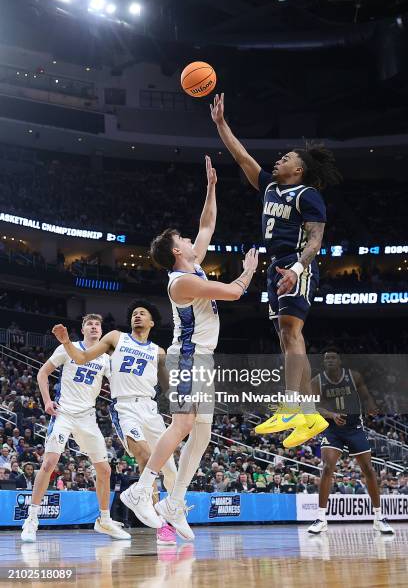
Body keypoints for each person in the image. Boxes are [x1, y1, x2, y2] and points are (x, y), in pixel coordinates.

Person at [107, 155, 258, 539]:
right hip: (186, 358)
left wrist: (211, 188)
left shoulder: (193, 265)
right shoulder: (181, 282)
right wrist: (250, 269)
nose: (191, 240)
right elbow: (234, 292)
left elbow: (207, 223)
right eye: (184, 240)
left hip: (202, 359)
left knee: (203, 433)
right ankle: (142, 489)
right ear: (177, 251)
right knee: (185, 423)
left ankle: (174, 501)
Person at [210, 93, 342, 448]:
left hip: (296, 266)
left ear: (298, 169)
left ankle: (291, 404)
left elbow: (316, 240)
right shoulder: (269, 186)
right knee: (286, 338)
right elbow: (241, 156)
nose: (279, 159)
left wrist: (298, 269)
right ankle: (310, 415)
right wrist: (221, 124)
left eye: (286, 158)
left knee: (290, 330)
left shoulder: (307, 195)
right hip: (274, 269)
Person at [51, 301, 178, 546]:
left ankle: (170, 517)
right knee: (144, 454)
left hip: (150, 409)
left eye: (143, 313)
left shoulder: (158, 351)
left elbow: (168, 388)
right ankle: (157, 519)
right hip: (125, 406)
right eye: (134, 313)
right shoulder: (116, 338)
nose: (137, 315)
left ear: (152, 322)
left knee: (170, 469)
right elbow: (82, 357)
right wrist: (67, 342)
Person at [21, 314, 130, 543]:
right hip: (64, 413)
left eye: (97, 324)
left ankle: (104, 520)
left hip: (88, 417)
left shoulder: (104, 358)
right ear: (83, 330)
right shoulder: (68, 348)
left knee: (105, 470)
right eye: (89, 324)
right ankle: (31, 519)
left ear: (101, 331)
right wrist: (47, 401)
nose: (93, 327)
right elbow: (42, 373)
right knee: (49, 463)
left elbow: (119, 384)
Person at [307, 350, 394, 535]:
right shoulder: (317, 381)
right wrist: (332, 415)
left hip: (354, 428)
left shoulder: (354, 376)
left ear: (340, 361)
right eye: (326, 358)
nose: (329, 360)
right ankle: (321, 518)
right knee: (327, 467)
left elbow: (366, 397)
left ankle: (379, 517)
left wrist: (371, 407)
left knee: (369, 470)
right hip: (332, 429)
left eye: (333, 357)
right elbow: (314, 407)